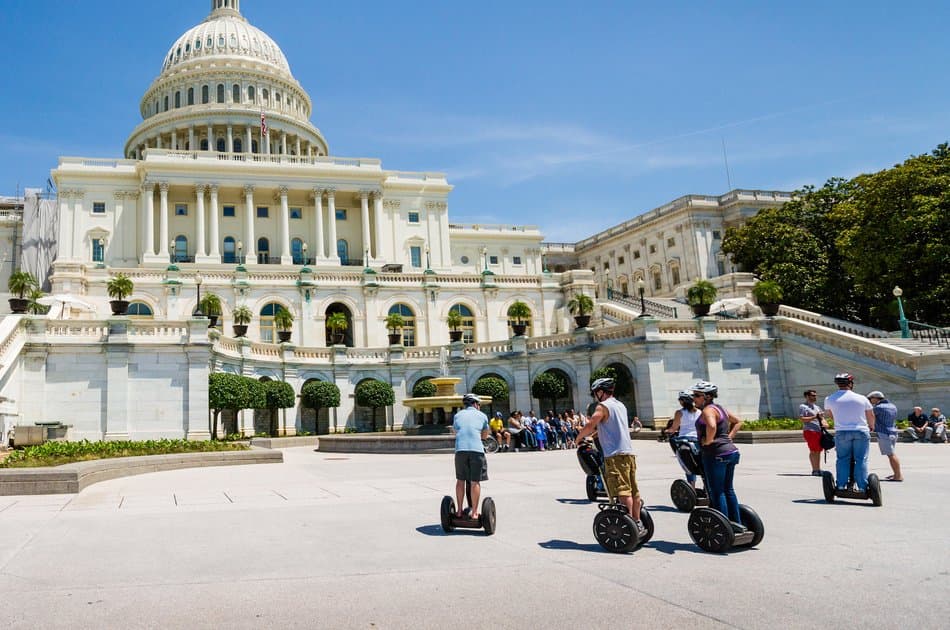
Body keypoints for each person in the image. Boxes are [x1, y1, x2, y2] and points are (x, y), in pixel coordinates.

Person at [575, 378, 645, 535]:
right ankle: (637, 522)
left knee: (622, 491)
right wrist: (592, 436)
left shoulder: (603, 406)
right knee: (633, 490)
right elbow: (608, 428)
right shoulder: (620, 406)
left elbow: (590, 424)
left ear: (601, 391)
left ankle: (629, 525)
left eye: (595, 393)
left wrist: (578, 438)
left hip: (614, 456)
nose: (594, 396)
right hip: (628, 453)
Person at [691, 380, 743, 527]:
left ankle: (723, 525)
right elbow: (738, 422)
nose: (693, 398)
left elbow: (712, 426)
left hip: (715, 454)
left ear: (706, 397)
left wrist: (708, 440)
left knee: (717, 491)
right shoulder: (720, 408)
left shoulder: (708, 410)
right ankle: (736, 522)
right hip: (730, 451)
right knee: (728, 489)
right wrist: (729, 438)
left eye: (696, 395)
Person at [823, 373, 874, 492]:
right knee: (861, 459)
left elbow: (830, 415)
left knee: (843, 459)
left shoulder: (829, 399)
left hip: (842, 432)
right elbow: (870, 414)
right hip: (860, 431)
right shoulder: (862, 398)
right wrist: (871, 426)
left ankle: (840, 485)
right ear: (850, 384)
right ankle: (862, 487)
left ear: (838, 384)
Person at [451, 393, 490, 519]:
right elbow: (484, 436)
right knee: (475, 482)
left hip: (460, 450)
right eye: (479, 404)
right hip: (476, 451)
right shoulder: (482, 416)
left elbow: (456, 432)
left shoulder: (457, 415)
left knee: (460, 480)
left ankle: (459, 511)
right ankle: (474, 512)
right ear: (475, 404)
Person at [667, 390, 702, 487]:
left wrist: (668, 431)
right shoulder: (699, 412)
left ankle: (692, 488)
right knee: (700, 464)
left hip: (683, 440)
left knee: (688, 465)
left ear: (682, 401)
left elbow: (674, 428)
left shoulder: (679, 412)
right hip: (696, 440)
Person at [867, 391, 902, 481]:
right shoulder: (893, 406)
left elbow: (869, 417)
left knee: (891, 455)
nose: (870, 401)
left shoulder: (878, 408)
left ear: (875, 398)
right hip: (893, 432)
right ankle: (896, 474)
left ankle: (898, 475)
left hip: (884, 433)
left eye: (870, 399)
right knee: (891, 453)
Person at [798, 389, 826, 476]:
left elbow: (822, 418)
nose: (815, 397)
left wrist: (825, 423)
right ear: (807, 396)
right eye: (813, 395)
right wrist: (814, 417)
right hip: (810, 431)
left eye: (815, 395)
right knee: (813, 450)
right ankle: (815, 470)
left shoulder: (817, 407)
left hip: (819, 431)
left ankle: (817, 468)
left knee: (818, 450)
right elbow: (802, 419)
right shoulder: (803, 406)